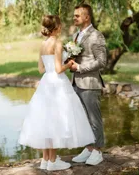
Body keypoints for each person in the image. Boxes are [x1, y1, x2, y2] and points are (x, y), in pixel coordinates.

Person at [18, 15, 95, 171]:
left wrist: (51, 67)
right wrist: (70, 63)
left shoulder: (43, 44)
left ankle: (45, 160)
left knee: (46, 120)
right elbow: (59, 69)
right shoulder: (57, 43)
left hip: (46, 82)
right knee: (56, 120)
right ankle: (53, 161)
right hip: (57, 84)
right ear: (57, 28)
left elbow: (41, 69)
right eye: (60, 25)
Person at [69, 3, 107, 166]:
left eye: (77, 15)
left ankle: (98, 151)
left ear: (87, 17)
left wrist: (80, 67)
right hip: (77, 82)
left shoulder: (96, 35)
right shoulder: (77, 35)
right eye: (74, 15)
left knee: (94, 119)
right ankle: (89, 148)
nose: (74, 18)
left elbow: (102, 61)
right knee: (83, 119)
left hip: (90, 84)